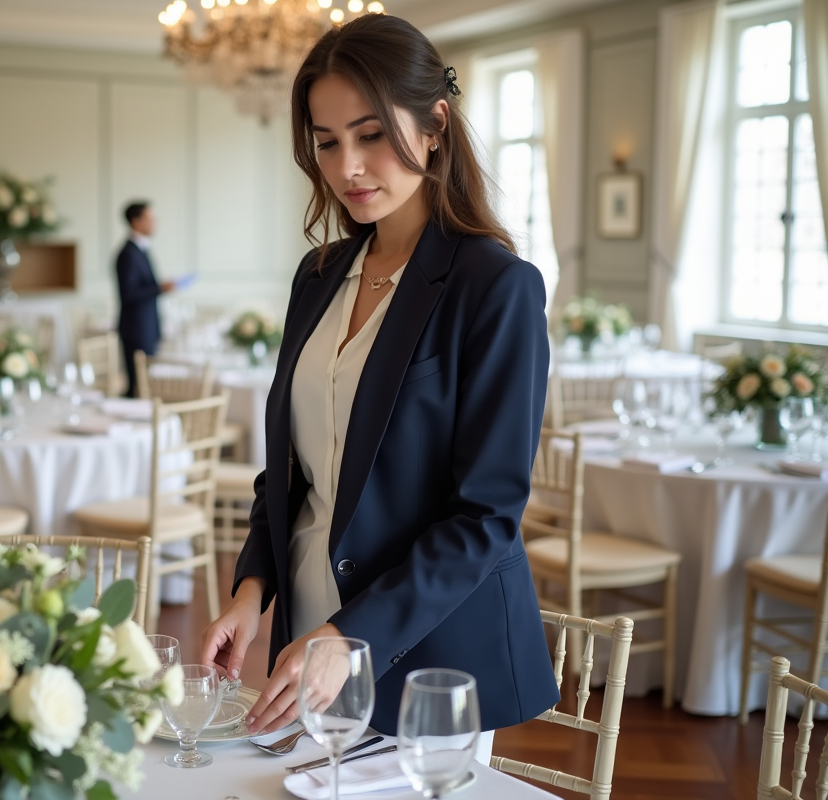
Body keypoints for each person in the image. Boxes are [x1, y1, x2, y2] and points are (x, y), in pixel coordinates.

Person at [199, 14, 558, 760]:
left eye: (369, 135)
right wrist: (251, 588)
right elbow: (294, 467)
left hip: (428, 659)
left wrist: (349, 636)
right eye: (327, 142)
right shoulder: (318, 275)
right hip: (305, 646)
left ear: (434, 127)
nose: (348, 166)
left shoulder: (496, 288)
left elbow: (486, 517)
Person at [115, 201, 173, 397]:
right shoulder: (128, 254)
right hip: (136, 329)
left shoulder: (141, 249)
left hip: (145, 326)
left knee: (144, 384)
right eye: (150, 218)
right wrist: (159, 288)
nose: (154, 223)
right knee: (137, 387)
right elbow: (128, 293)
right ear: (136, 221)